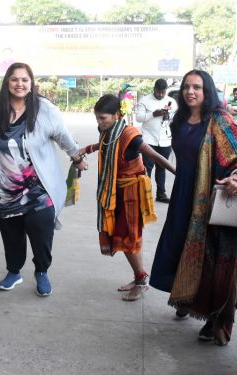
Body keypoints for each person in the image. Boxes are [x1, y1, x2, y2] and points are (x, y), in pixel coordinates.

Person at [0, 62, 87, 296]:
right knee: (11, 237)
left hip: (39, 189)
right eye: (15, 79)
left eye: (24, 80)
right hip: (5, 189)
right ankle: (14, 272)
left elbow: (63, 136)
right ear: (7, 82)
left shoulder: (44, 109)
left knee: (41, 234)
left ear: (31, 83)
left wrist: (76, 156)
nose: (19, 84)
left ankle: (41, 271)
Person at [149, 69, 237, 346]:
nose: (190, 92)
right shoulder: (180, 119)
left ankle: (216, 320)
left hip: (212, 201)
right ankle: (187, 297)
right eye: (186, 87)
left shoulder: (220, 121)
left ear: (207, 90)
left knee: (216, 260)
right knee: (179, 250)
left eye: (197, 87)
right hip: (183, 196)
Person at [79, 94, 175, 301]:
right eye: (97, 118)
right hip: (116, 190)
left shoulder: (131, 135)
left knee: (128, 237)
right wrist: (86, 149)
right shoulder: (107, 130)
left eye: (103, 118)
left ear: (117, 115)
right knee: (122, 235)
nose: (99, 122)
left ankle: (141, 280)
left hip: (132, 192)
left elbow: (154, 156)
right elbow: (104, 145)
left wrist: (177, 172)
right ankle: (138, 276)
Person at [134, 79, 177, 203]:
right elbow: (139, 118)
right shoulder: (144, 100)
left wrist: (168, 116)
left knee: (162, 167)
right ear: (154, 89)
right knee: (147, 168)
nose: (160, 95)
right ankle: (144, 194)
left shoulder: (172, 102)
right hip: (149, 139)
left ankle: (161, 194)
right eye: (158, 92)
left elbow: (176, 118)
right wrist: (154, 114)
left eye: (163, 92)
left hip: (165, 140)